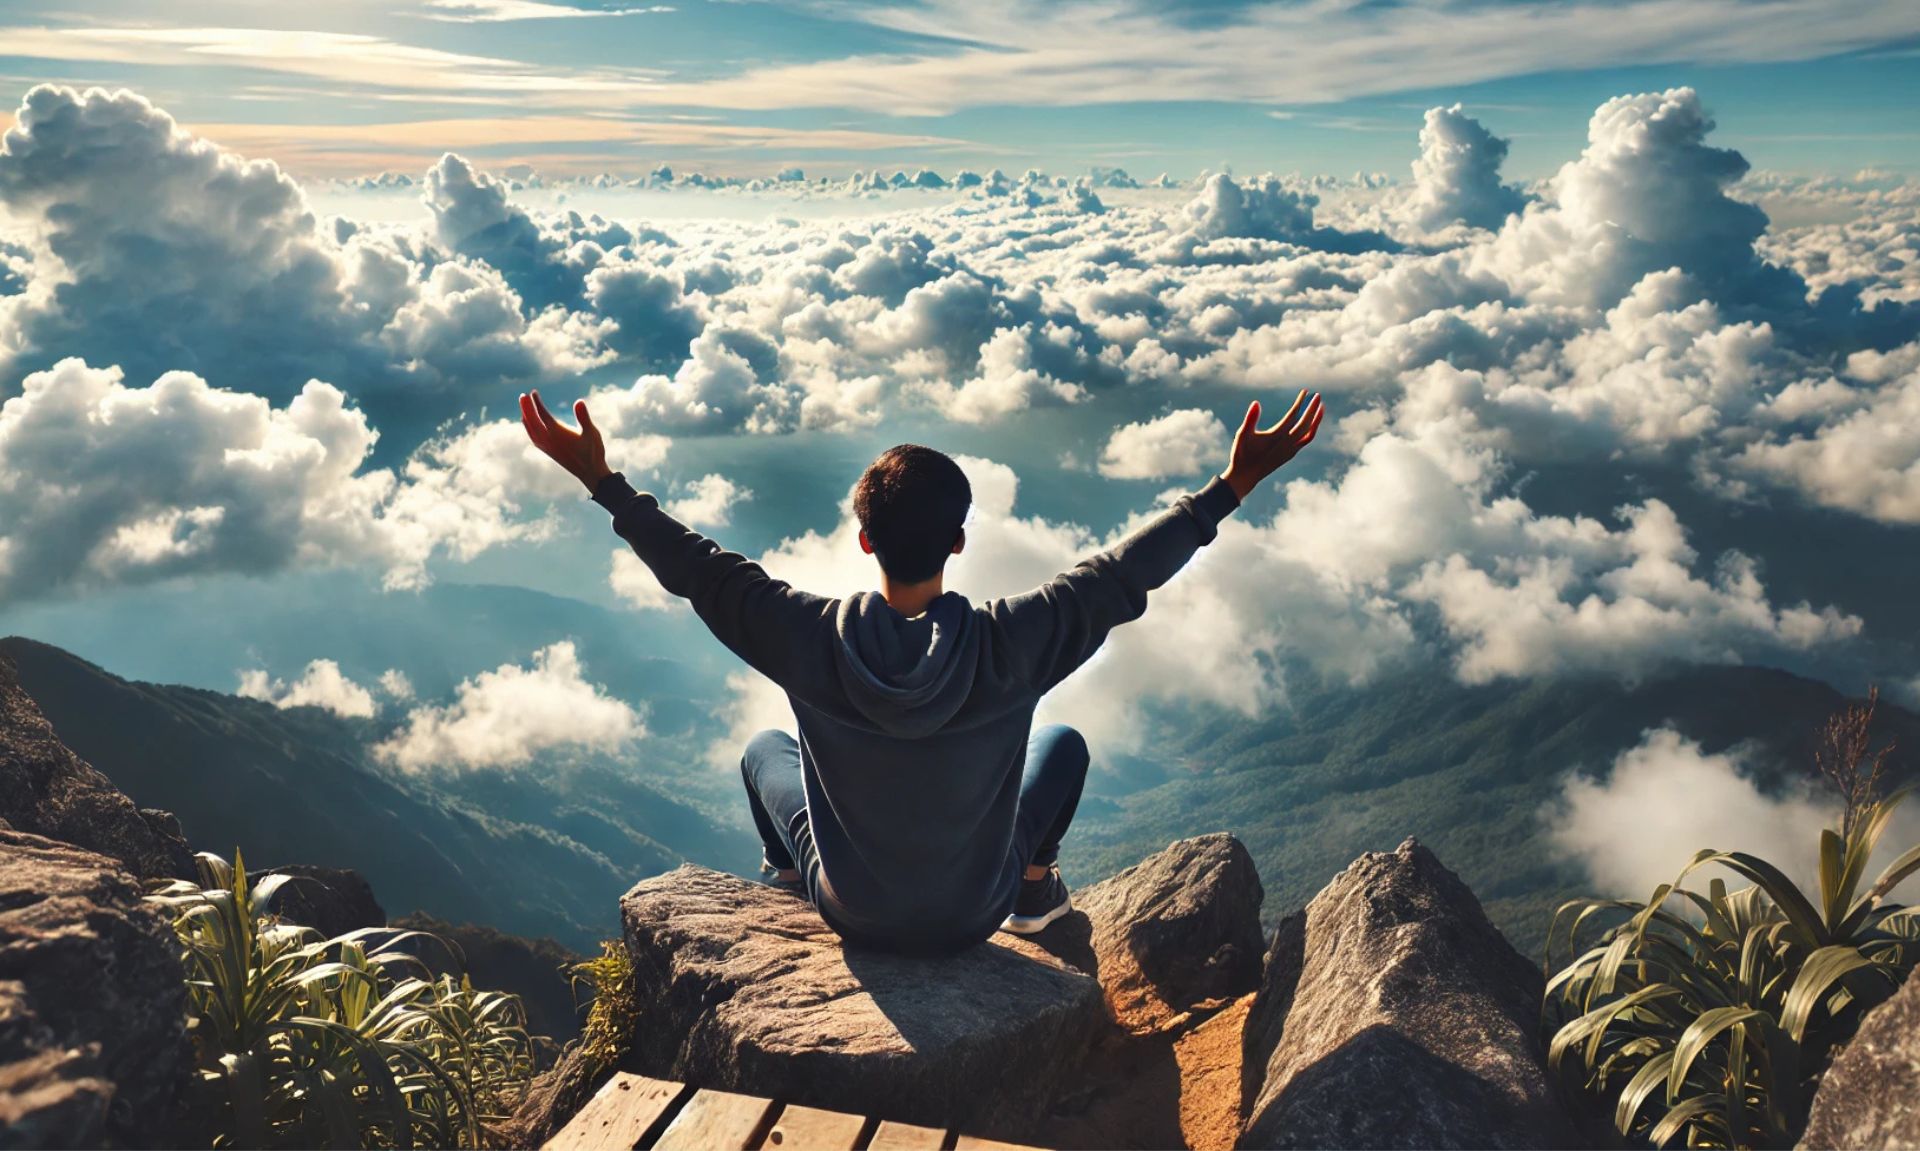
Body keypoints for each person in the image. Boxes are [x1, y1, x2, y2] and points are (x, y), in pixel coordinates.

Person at [518, 389, 1324, 955]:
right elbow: (1123, 575)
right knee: (1066, 743)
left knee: (766, 747)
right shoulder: (1015, 642)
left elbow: (698, 569)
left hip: (852, 911)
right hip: (979, 910)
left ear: (864, 541)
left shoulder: (807, 637)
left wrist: (602, 480)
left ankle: (784, 878)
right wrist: (1233, 484)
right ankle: (1035, 895)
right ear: (959, 542)